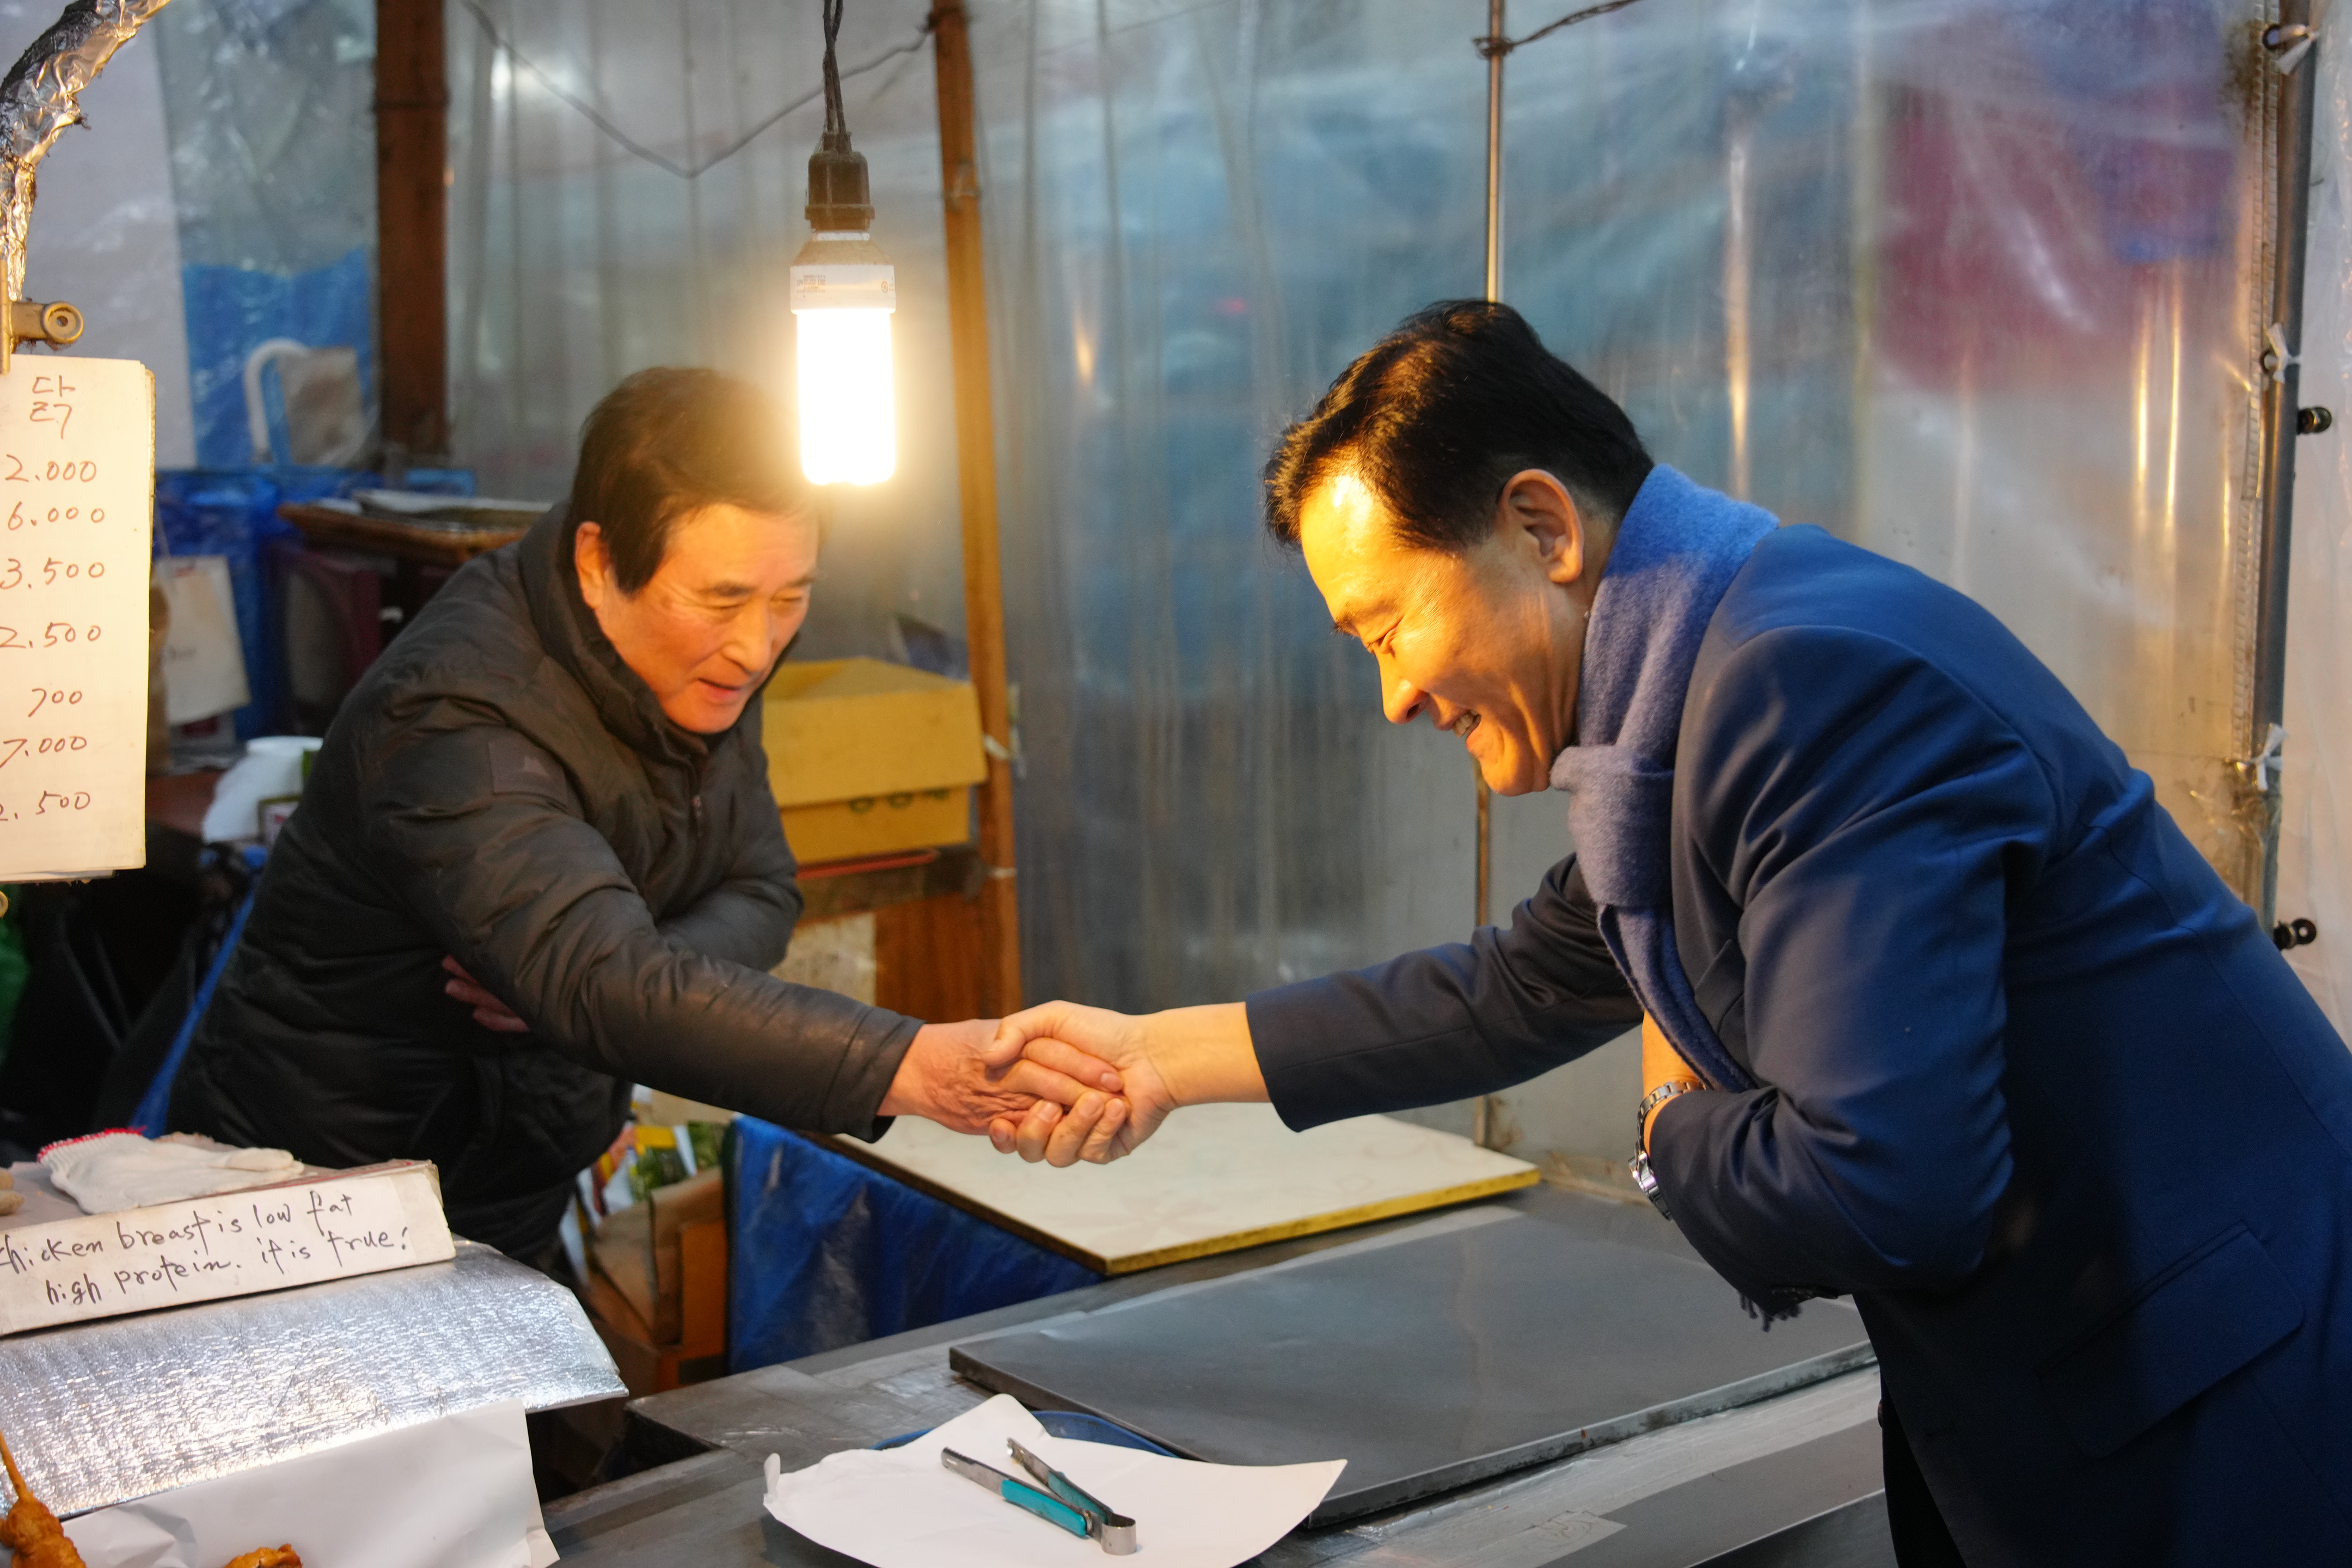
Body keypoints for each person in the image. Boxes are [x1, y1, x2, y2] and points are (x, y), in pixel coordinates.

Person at [989, 302, 2352, 1564]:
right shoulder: (1699, 695)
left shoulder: (1805, 687)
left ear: (1542, 527)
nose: (1394, 696)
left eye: (1389, 628)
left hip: (2228, 1414)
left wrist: (1665, 1127)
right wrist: (1155, 1059)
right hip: (2098, 1393)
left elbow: (1889, 1193)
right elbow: (1521, 984)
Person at [171, 368, 1118, 1263]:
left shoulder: (696, 668)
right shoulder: (457, 715)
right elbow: (606, 984)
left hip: (514, 1179)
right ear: (597, 562)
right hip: (320, 1200)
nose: (756, 648)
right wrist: (914, 1068)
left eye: (790, 598)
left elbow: (761, 889)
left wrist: (623, 960)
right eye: (722, 599)